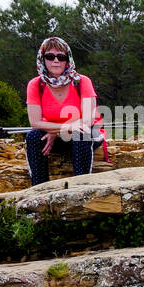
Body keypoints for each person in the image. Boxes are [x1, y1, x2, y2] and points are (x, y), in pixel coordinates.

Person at [25, 37, 107, 186]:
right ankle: (39, 190)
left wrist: (56, 131)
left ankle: (80, 187)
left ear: (67, 60)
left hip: (85, 135)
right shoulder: (35, 85)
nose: (55, 61)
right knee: (33, 137)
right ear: (42, 60)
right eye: (50, 56)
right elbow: (35, 123)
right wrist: (63, 129)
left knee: (81, 134)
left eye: (61, 57)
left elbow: (87, 121)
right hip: (58, 134)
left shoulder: (82, 82)